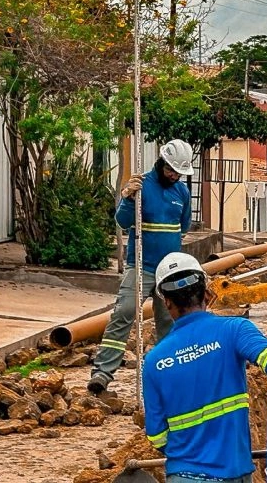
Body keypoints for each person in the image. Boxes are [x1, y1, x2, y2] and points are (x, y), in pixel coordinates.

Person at [143, 252, 267, 483]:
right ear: (206, 293)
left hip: (183, 475)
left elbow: (157, 436)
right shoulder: (235, 330)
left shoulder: (154, 361)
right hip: (233, 473)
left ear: (167, 302)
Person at [88, 139, 195, 395]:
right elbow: (123, 222)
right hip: (143, 266)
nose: (174, 175)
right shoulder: (142, 185)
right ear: (161, 163)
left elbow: (185, 226)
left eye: (179, 172)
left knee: (170, 324)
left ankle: (171, 378)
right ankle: (102, 373)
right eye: (171, 170)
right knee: (124, 312)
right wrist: (127, 197)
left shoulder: (182, 193)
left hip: (170, 270)